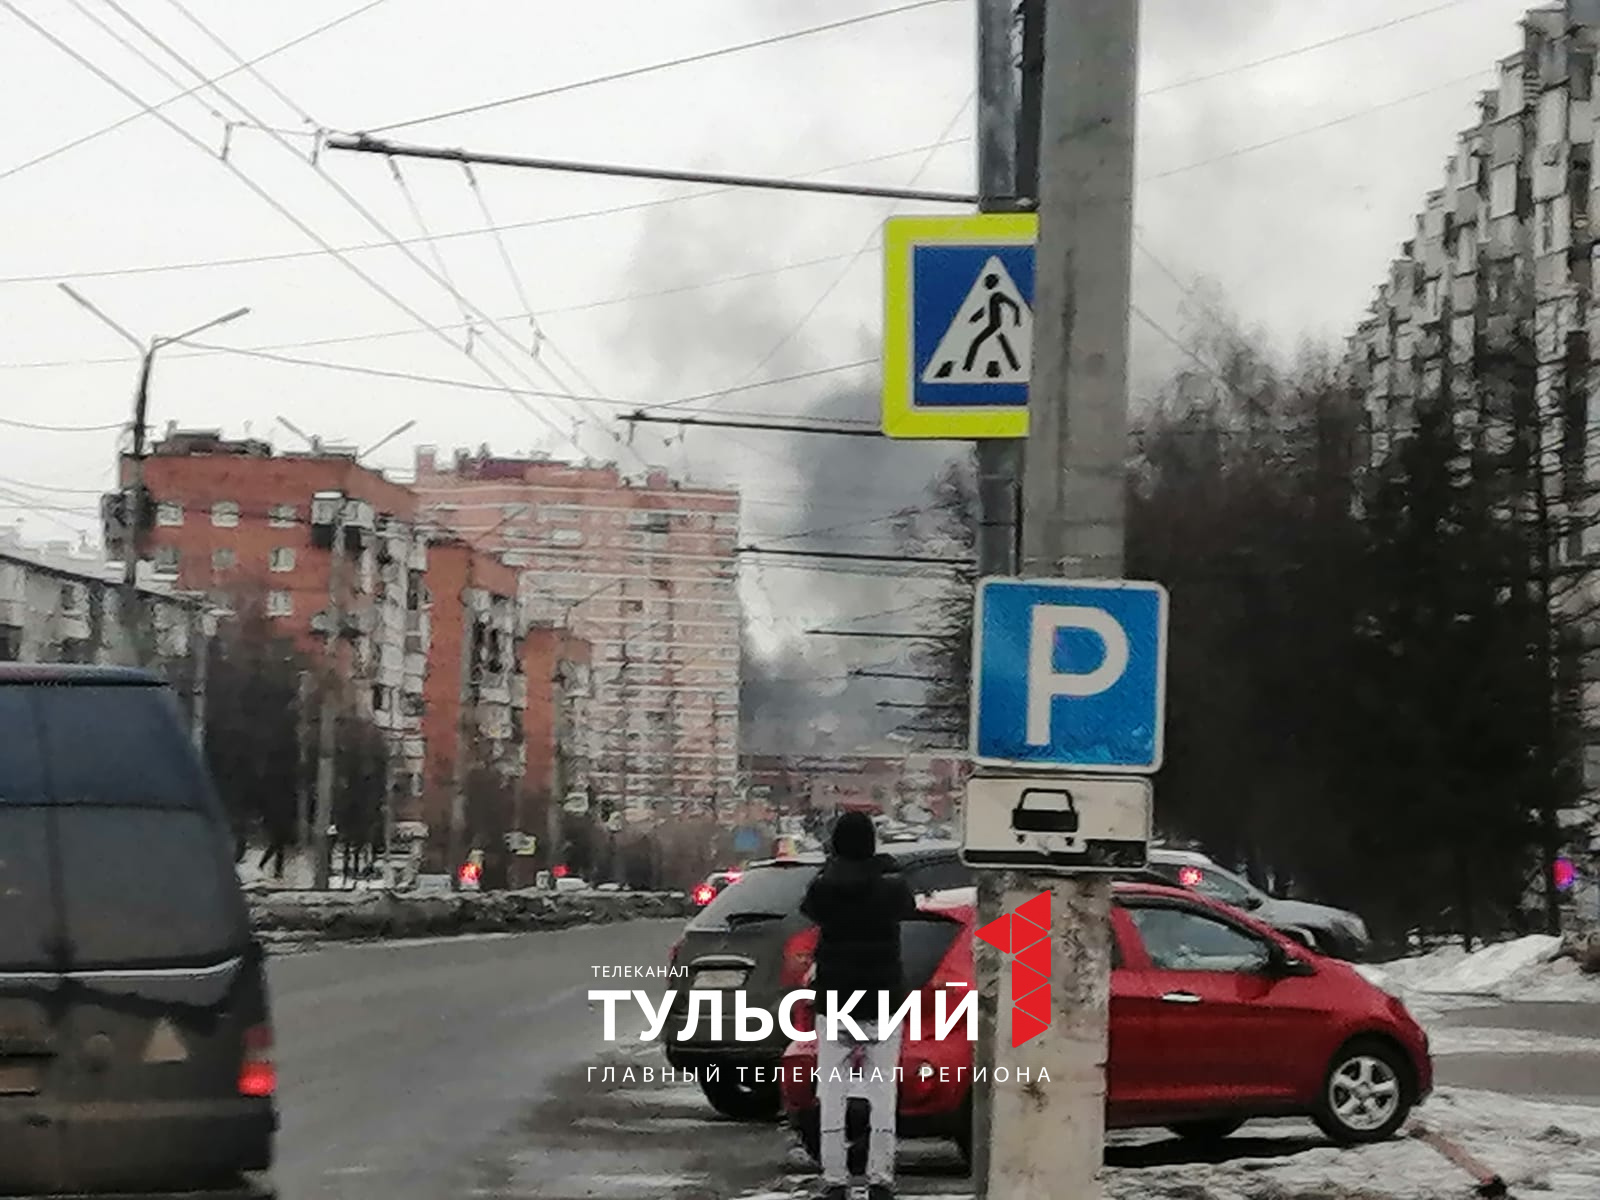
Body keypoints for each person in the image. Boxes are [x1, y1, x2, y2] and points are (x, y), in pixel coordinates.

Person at [800, 812, 918, 1200]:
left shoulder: (823, 888)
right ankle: (880, 1178)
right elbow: (907, 905)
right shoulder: (891, 887)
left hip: (835, 1002)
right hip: (883, 1002)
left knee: (832, 1091)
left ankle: (835, 1179)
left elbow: (811, 909)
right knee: (882, 1093)